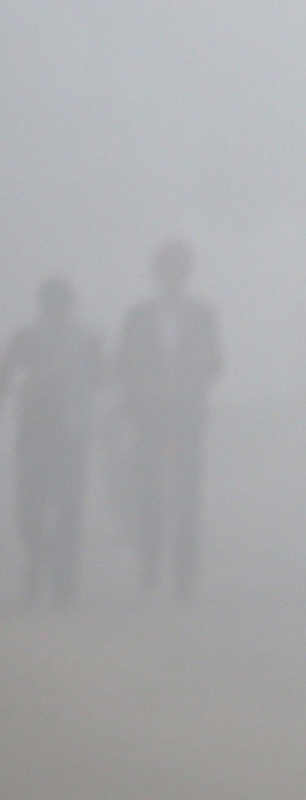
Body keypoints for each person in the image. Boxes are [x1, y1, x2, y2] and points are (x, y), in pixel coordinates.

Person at [113, 239, 224, 600]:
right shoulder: (139, 315)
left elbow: (217, 363)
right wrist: (143, 388)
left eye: (180, 269)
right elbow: (124, 362)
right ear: (158, 274)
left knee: (189, 491)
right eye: (169, 269)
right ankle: (149, 562)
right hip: (150, 414)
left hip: (188, 413)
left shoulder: (203, 314)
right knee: (149, 488)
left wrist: (194, 379)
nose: (175, 276)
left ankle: (185, 570)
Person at [1, 278, 106, 608]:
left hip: (70, 432)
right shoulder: (26, 337)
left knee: (68, 507)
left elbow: (101, 380)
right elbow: (6, 380)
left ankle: (64, 577)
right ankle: (38, 560)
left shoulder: (86, 340)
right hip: (36, 431)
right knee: (30, 504)